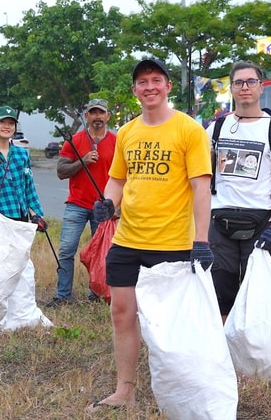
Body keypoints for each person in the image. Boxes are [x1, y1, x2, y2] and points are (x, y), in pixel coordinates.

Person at [87, 58, 212, 413]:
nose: (150, 87)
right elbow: (118, 180)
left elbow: (201, 187)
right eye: (143, 82)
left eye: (157, 80)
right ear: (134, 90)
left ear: (168, 86)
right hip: (127, 240)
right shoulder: (127, 132)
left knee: (169, 322)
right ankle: (124, 390)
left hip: (173, 243)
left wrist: (201, 240)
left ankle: (177, 387)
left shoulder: (189, 130)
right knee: (122, 313)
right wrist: (107, 205)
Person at [207, 61, 271, 320]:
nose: (244, 87)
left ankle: (254, 351)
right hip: (219, 217)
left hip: (259, 221)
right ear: (232, 89)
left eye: (251, 82)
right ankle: (225, 351)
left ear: (261, 87)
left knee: (256, 293)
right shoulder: (217, 128)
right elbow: (203, 178)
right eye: (238, 82)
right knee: (221, 291)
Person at [48, 98, 116, 307]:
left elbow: (125, 175)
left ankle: (96, 292)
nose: (97, 117)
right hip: (77, 204)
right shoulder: (75, 141)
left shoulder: (117, 142)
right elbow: (61, 172)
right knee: (67, 249)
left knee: (101, 252)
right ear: (86, 116)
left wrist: (118, 205)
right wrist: (82, 161)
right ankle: (63, 295)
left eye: (101, 113)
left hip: (103, 207)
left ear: (107, 116)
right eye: (93, 113)